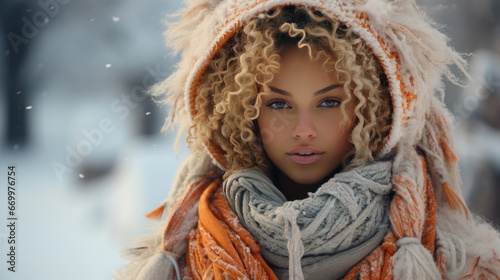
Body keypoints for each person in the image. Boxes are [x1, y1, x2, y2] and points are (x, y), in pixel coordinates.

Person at [117, 0, 500, 279]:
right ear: (242, 111)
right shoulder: (184, 260)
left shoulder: (455, 264)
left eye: (329, 102)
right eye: (279, 104)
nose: (304, 129)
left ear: (376, 110)